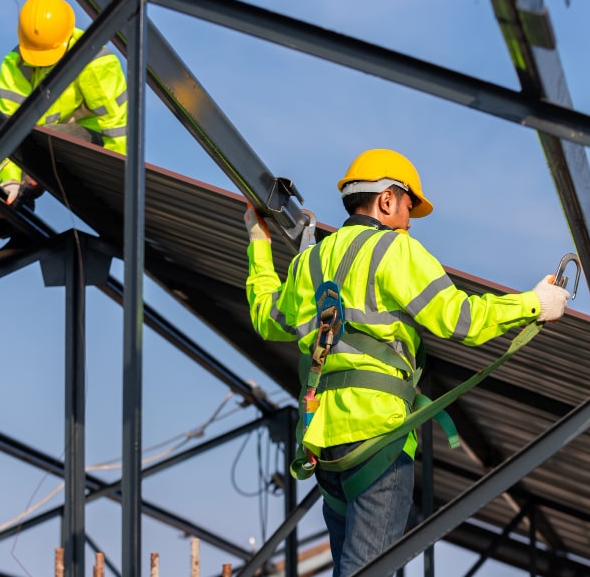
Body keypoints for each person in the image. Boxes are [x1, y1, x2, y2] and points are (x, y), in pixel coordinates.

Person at [243, 148, 569, 577]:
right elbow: (460, 319)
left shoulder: (310, 261)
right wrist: (533, 304)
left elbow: (266, 316)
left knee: (351, 568)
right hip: (379, 439)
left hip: (326, 447)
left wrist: (258, 244)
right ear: (386, 200)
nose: (410, 220)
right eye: (408, 205)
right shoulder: (397, 251)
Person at [0, 0, 129, 262]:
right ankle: (12, 218)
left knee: (37, 141)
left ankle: (12, 216)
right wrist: (9, 180)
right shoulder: (16, 63)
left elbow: (116, 127)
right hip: (36, 140)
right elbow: (4, 126)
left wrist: (116, 188)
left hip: (90, 139)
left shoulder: (97, 62)